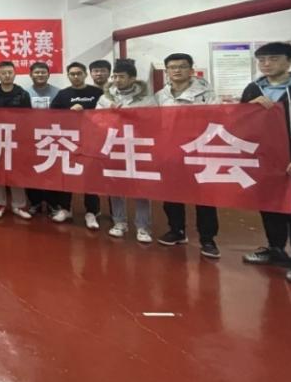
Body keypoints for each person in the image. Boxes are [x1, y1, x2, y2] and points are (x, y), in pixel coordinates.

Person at [241, 42, 291, 286]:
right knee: (269, 207)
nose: (266, 64)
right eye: (261, 60)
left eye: (273, 59)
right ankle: (276, 249)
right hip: (264, 162)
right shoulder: (253, 89)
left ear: (289, 61)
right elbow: (239, 122)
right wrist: (248, 109)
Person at [154, 53, 221, 258]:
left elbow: (218, 120)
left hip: (199, 151)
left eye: (182, 66)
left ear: (191, 70)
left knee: (204, 197)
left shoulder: (207, 95)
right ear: (167, 71)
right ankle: (177, 230)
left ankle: (208, 239)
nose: (177, 70)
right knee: (172, 194)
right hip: (170, 151)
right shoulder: (160, 96)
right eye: (172, 67)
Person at [97, 59, 156, 242]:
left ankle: (143, 227)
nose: (117, 80)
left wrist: (129, 113)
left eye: (121, 77)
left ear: (132, 78)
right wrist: (109, 114)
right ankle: (119, 222)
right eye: (114, 76)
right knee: (116, 185)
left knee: (141, 188)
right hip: (114, 145)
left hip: (138, 146)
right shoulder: (105, 98)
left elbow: (154, 121)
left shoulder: (147, 99)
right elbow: (96, 120)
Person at [49, 62, 104, 228]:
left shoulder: (97, 93)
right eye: (72, 74)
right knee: (66, 175)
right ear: (68, 76)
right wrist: (69, 113)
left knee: (90, 177)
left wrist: (85, 110)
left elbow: (106, 114)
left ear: (85, 74)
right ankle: (65, 208)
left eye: (79, 73)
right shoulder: (63, 94)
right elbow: (51, 115)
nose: (75, 76)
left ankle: (92, 212)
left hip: (92, 140)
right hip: (69, 141)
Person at [0, 61, 32, 219]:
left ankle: (19, 205)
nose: (7, 75)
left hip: (16, 139)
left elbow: (29, 118)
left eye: (10, 72)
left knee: (16, 173)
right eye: (3, 73)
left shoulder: (22, 94)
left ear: (15, 73)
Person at [23, 61, 61, 216]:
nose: (40, 75)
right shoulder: (24, 93)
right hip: (31, 139)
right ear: (30, 75)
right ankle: (35, 202)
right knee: (32, 172)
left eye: (43, 72)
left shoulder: (58, 93)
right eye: (37, 72)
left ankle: (53, 203)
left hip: (52, 138)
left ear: (48, 74)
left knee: (52, 172)